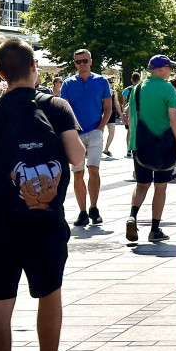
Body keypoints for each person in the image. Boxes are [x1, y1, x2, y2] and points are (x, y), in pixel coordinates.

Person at [0, 39, 85, 351]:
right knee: (49, 294)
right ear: (34, 67)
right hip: (45, 222)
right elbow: (77, 156)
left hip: (0, 222)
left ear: (0, 74)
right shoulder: (56, 107)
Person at [126, 55, 176, 243]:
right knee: (160, 187)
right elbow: (173, 119)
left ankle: (132, 216)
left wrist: (132, 143)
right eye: (169, 68)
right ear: (161, 70)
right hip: (163, 145)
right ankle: (155, 229)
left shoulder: (137, 89)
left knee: (141, 185)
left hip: (140, 144)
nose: (171, 71)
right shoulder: (168, 89)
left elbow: (132, 118)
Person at [62, 49, 112, 227]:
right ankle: (82, 211)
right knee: (78, 172)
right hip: (75, 134)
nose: (81, 64)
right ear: (74, 63)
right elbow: (64, 110)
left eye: (84, 61)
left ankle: (94, 207)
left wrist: (101, 127)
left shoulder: (101, 81)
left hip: (94, 131)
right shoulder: (68, 84)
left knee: (94, 169)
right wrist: (69, 132)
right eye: (78, 62)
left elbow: (108, 108)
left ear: (91, 61)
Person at [122, 72, 141, 157]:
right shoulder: (141, 89)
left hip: (130, 112)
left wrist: (123, 113)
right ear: (139, 79)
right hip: (139, 112)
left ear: (131, 79)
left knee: (129, 131)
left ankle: (129, 149)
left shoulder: (127, 90)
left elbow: (124, 103)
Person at [103, 77, 121, 156]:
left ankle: (106, 148)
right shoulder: (101, 91)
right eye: (110, 83)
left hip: (112, 113)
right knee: (100, 133)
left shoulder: (114, 92)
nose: (111, 84)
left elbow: (116, 103)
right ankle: (97, 148)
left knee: (112, 132)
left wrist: (120, 113)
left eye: (112, 83)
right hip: (102, 113)